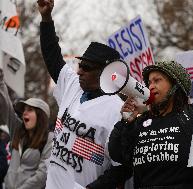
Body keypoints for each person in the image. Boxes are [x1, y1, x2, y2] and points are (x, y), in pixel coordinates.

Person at [37, 0, 131, 188]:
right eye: (80, 65)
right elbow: (52, 55)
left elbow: (122, 168)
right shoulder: (73, 85)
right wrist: (46, 18)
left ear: (105, 73)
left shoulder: (117, 110)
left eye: (86, 67)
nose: (79, 71)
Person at [108, 60, 193, 189]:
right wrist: (125, 122)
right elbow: (118, 155)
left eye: (157, 80)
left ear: (176, 85)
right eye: (149, 82)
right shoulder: (140, 122)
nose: (150, 87)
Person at [0, 69, 53, 189]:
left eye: (30, 110)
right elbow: (6, 107)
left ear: (40, 116)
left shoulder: (49, 139)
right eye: (24, 110)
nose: (24, 113)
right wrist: (0, 82)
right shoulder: (17, 131)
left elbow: (42, 175)